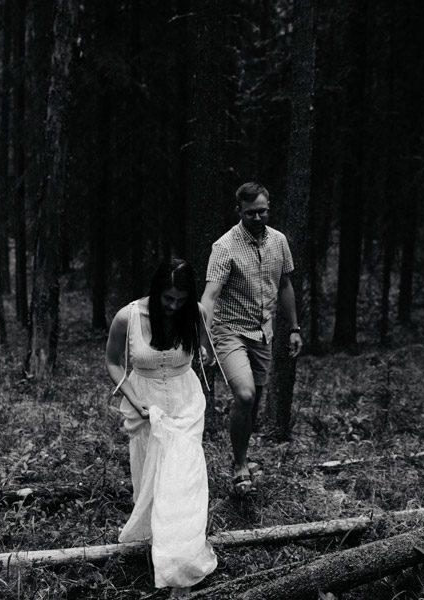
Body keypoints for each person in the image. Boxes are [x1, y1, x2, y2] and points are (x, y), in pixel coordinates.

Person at [105, 258, 218, 597]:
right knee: (150, 476)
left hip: (185, 402)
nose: (173, 306)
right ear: (156, 292)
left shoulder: (193, 312)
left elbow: (205, 350)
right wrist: (130, 397)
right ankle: (158, 542)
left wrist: (205, 352)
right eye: (168, 298)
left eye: (180, 300)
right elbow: (112, 362)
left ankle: (179, 562)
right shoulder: (128, 316)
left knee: (183, 479)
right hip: (145, 404)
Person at [200, 182, 302, 495]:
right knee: (244, 394)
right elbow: (210, 296)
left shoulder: (279, 241)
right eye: (250, 213)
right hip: (229, 331)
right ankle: (239, 464)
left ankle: (241, 456)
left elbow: (284, 284)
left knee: (254, 399)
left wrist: (295, 328)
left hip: (263, 332)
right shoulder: (225, 247)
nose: (257, 218)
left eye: (262, 211)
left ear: (268, 208)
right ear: (239, 211)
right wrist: (203, 340)